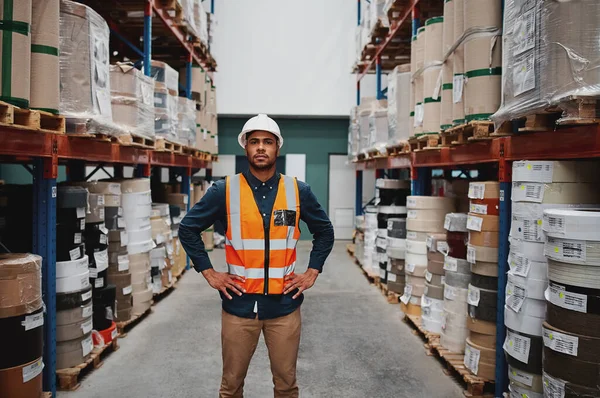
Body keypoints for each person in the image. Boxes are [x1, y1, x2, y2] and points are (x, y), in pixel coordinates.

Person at [179, 114, 335, 398]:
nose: (261, 148)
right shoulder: (224, 191)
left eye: (267, 142)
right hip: (239, 308)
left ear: (277, 147)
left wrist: (312, 271)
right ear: (245, 147)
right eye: (254, 142)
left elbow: (324, 231)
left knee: (286, 387)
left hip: (285, 308)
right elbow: (188, 228)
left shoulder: (298, 191)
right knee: (231, 387)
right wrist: (209, 272)